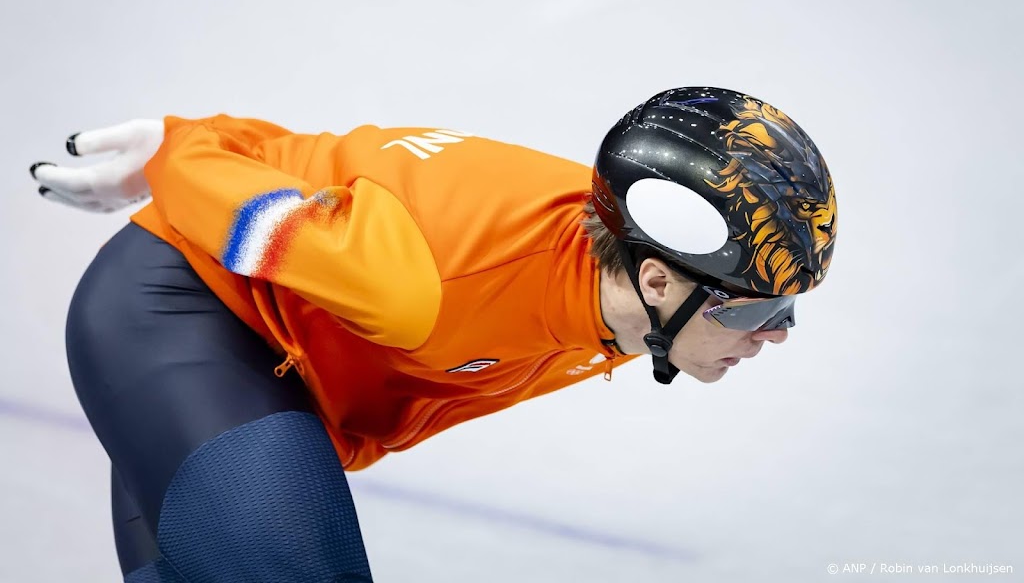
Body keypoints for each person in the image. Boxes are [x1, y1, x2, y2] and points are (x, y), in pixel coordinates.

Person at [29, 86, 837, 582]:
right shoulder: (421, 281)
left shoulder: (621, 283)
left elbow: (338, 162)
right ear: (658, 279)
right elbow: (260, 210)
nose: (778, 335)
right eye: (759, 310)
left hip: (285, 368)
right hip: (182, 313)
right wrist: (183, 143)